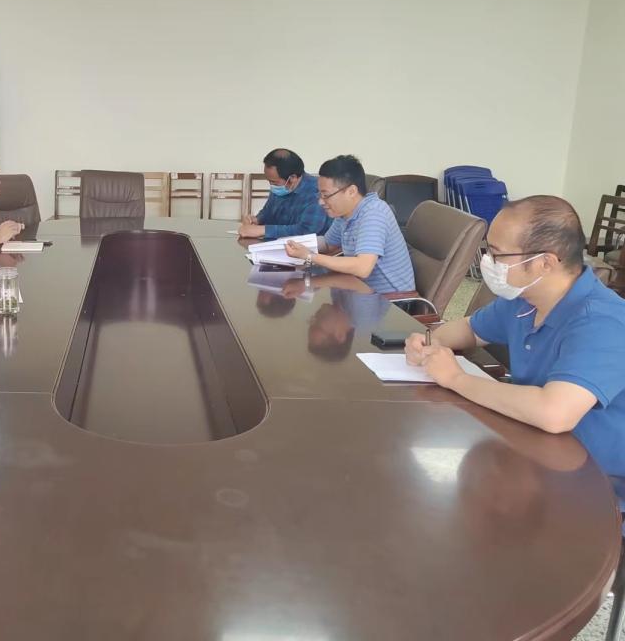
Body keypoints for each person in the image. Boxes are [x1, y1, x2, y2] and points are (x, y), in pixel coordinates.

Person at [405, 195, 625, 477]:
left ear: (545, 263)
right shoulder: (525, 297)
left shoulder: (602, 322)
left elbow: (554, 413)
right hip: (534, 451)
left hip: (597, 481)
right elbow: (471, 329)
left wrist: (455, 378)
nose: (487, 262)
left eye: (498, 255)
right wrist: (431, 342)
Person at [284, 154, 415, 294]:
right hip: (360, 289)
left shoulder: (374, 212)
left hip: (392, 300)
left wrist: (309, 256)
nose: (321, 202)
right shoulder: (344, 213)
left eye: (326, 195)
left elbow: (363, 268)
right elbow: (328, 244)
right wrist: (292, 245)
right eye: (320, 195)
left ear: (351, 191)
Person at [237, 148, 331, 239]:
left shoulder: (317, 191)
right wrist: (256, 220)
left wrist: (264, 230)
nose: (271, 185)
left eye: (274, 182)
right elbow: (268, 212)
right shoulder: (281, 187)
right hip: (278, 244)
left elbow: (307, 230)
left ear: (292, 178)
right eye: (269, 181)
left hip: (307, 247)